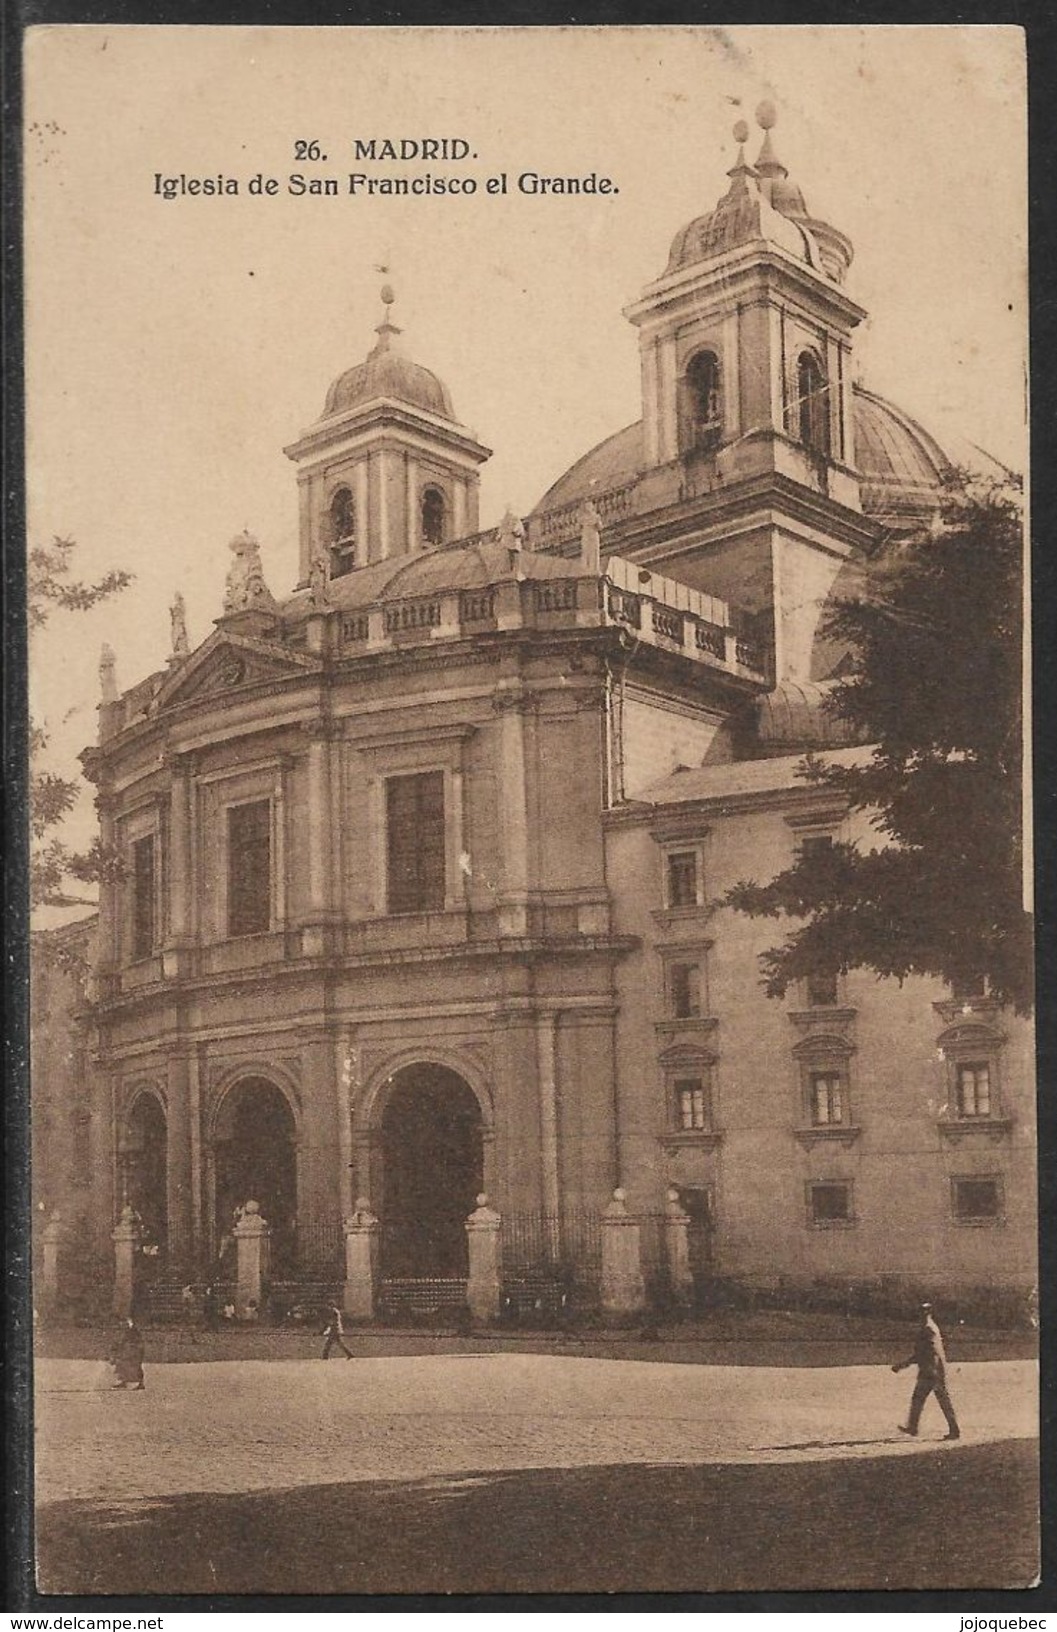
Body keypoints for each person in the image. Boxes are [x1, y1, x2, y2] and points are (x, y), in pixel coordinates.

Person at [892, 1302, 960, 1439]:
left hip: (931, 1371)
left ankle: (953, 1430)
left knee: (937, 1400)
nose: (919, 1315)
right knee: (925, 1399)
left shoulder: (928, 1329)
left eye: (922, 1312)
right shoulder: (929, 1327)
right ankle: (914, 1427)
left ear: (928, 1313)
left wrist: (903, 1364)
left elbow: (926, 1353)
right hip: (932, 1370)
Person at [110, 1317, 146, 1390]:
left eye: (127, 1324)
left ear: (131, 1323)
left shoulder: (135, 1331)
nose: (125, 1325)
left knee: (137, 1367)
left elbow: (139, 1341)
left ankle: (141, 1383)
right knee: (122, 1366)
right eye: (124, 1324)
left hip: (135, 1351)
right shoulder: (125, 1331)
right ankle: (124, 1382)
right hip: (127, 1351)